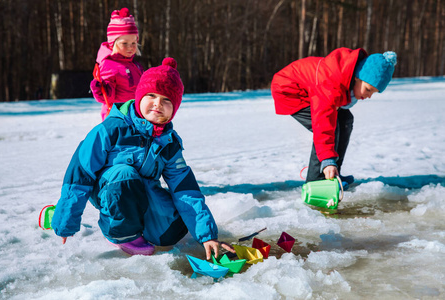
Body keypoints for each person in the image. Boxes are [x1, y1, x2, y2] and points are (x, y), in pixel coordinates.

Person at [52, 57, 235, 259]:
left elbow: (185, 189)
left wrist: (207, 235)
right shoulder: (111, 130)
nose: (158, 104)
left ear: (175, 108)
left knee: (171, 232)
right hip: (110, 188)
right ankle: (121, 235)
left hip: (139, 190)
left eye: (166, 100)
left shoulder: (169, 142)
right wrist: (65, 221)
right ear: (139, 96)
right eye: (151, 96)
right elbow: (79, 174)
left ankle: (135, 224)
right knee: (125, 174)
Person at [271, 48, 397, 186]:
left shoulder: (346, 77)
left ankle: (333, 175)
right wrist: (327, 159)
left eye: (374, 92)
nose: (369, 96)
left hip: (310, 88)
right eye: (368, 89)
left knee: (345, 120)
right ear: (357, 77)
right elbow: (322, 124)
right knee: (331, 125)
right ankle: (316, 182)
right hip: (290, 90)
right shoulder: (331, 83)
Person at [90, 7, 144, 121]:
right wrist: (100, 90)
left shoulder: (135, 65)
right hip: (117, 117)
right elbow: (107, 97)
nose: (131, 47)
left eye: (134, 42)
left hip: (136, 115)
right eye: (125, 43)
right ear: (113, 43)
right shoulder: (109, 65)